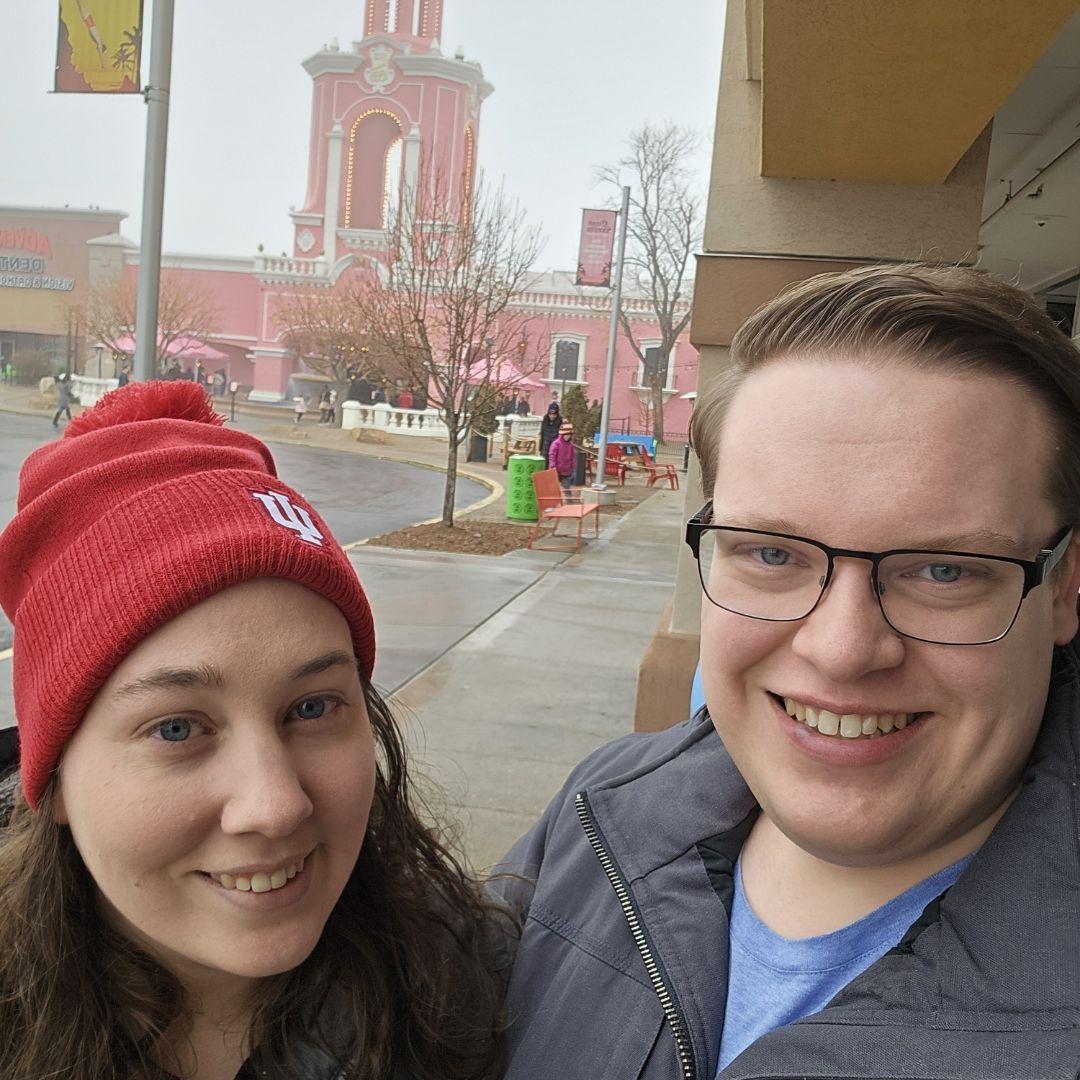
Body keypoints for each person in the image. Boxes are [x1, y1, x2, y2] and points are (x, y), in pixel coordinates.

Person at [492, 264, 1080, 1079]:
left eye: (943, 570)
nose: (841, 650)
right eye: (771, 554)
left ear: (1065, 587)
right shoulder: (604, 805)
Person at [0, 381, 508, 1080]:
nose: (276, 806)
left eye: (313, 708)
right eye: (176, 728)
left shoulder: (485, 992)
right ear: (54, 776)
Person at [547, 421, 575, 494]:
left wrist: (573, 467)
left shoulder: (570, 445)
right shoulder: (556, 443)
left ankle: (568, 500)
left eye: (569, 435)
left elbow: (572, 457)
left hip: (567, 471)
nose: (567, 437)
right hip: (556, 469)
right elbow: (552, 455)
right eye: (566, 435)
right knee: (554, 488)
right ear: (562, 435)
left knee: (566, 489)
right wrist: (552, 466)